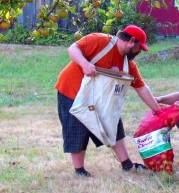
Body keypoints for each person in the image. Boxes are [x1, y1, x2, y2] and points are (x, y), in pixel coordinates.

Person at [55, 25, 161, 177]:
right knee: (77, 130)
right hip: (72, 91)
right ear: (132, 41)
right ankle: (79, 170)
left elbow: (142, 88)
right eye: (139, 48)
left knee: (113, 123)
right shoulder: (99, 40)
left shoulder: (128, 65)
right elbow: (72, 48)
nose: (139, 52)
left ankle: (127, 164)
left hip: (100, 98)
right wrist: (85, 64)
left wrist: (158, 110)